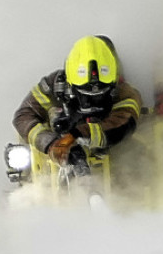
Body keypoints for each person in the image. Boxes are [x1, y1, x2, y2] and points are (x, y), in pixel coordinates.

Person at [13, 35, 143, 165]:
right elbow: (24, 115)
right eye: (83, 94)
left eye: (101, 94)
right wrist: (51, 143)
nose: (91, 101)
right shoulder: (53, 86)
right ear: (69, 81)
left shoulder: (126, 93)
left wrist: (76, 135)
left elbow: (122, 126)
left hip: (116, 158)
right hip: (53, 161)